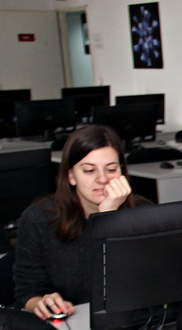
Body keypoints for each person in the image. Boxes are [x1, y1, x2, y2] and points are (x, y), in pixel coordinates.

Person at [13, 124, 149, 319]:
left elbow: (139, 285)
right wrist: (42, 303)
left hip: (130, 321)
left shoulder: (143, 213)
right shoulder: (39, 219)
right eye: (89, 170)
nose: (102, 179)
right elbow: (27, 292)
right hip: (70, 325)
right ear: (71, 176)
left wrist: (107, 218)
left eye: (111, 169)